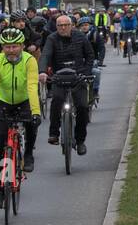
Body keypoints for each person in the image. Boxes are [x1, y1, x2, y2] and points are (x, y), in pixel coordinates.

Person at [0, 27, 41, 206]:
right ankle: (0, 192)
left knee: (32, 124)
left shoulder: (30, 61)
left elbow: (32, 86)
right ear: (2, 47)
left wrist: (36, 112)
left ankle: (29, 153)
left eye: (15, 46)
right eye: (7, 47)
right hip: (3, 103)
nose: (11, 50)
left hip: (24, 100)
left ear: (22, 46)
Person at [39, 15, 96, 155]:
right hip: (59, 77)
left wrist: (86, 72)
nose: (63, 28)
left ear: (72, 25)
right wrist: (42, 72)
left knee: (83, 107)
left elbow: (90, 55)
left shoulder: (80, 37)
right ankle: (54, 134)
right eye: (60, 25)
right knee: (56, 101)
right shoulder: (52, 39)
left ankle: (80, 140)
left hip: (79, 77)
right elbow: (45, 55)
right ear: (56, 27)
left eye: (66, 25)